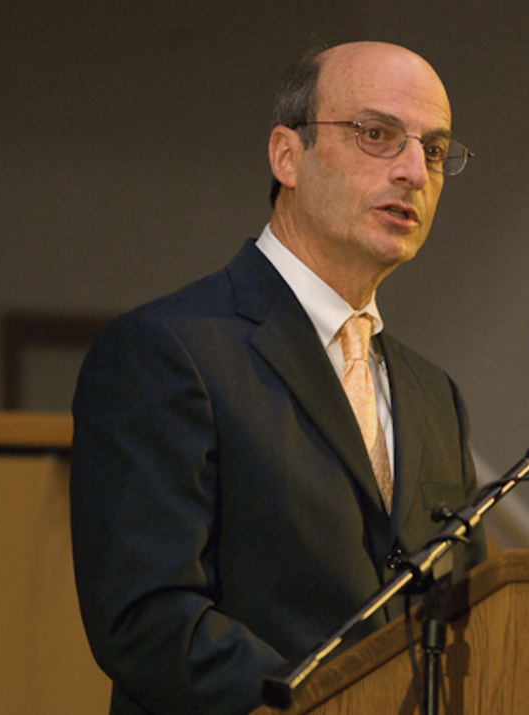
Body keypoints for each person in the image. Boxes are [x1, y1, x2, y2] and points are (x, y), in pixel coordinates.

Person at [69, 41, 486, 715]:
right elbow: (147, 620)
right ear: (287, 156)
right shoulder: (167, 351)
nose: (414, 171)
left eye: (434, 150)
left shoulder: (433, 395)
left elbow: (470, 611)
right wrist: (339, 702)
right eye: (377, 135)